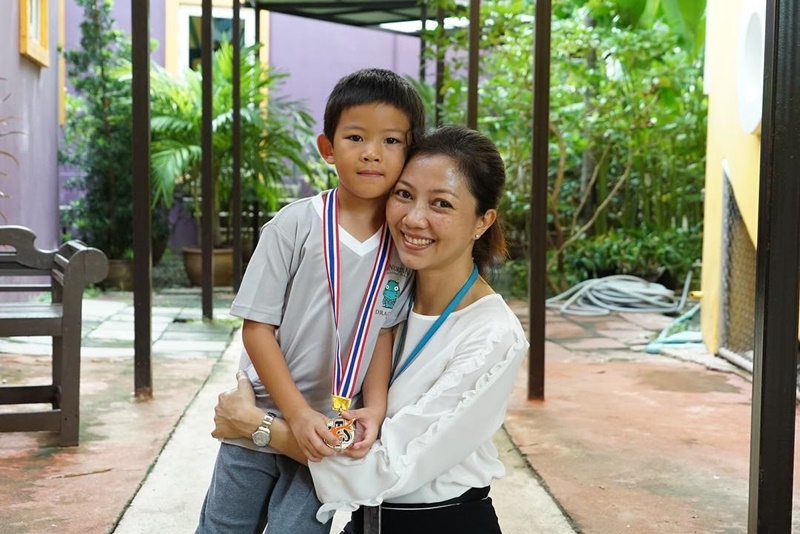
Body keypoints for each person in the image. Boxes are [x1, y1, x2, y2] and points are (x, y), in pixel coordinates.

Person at [212, 125, 529, 534]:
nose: (414, 218)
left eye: (441, 204)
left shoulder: (492, 335)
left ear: (482, 222)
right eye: (404, 194)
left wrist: (257, 427)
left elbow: (385, 469)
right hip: (364, 523)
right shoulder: (386, 299)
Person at [196, 67, 427, 534]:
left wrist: (375, 408)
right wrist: (296, 414)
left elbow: (381, 333)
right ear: (328, 148)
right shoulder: (294, 225)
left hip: (330, 431)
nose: (372, 152)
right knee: (224, 527)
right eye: (356, 137)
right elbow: (257, 329)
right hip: (260, 416)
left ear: (410, 153)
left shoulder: (403, 246)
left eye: (391, 141)